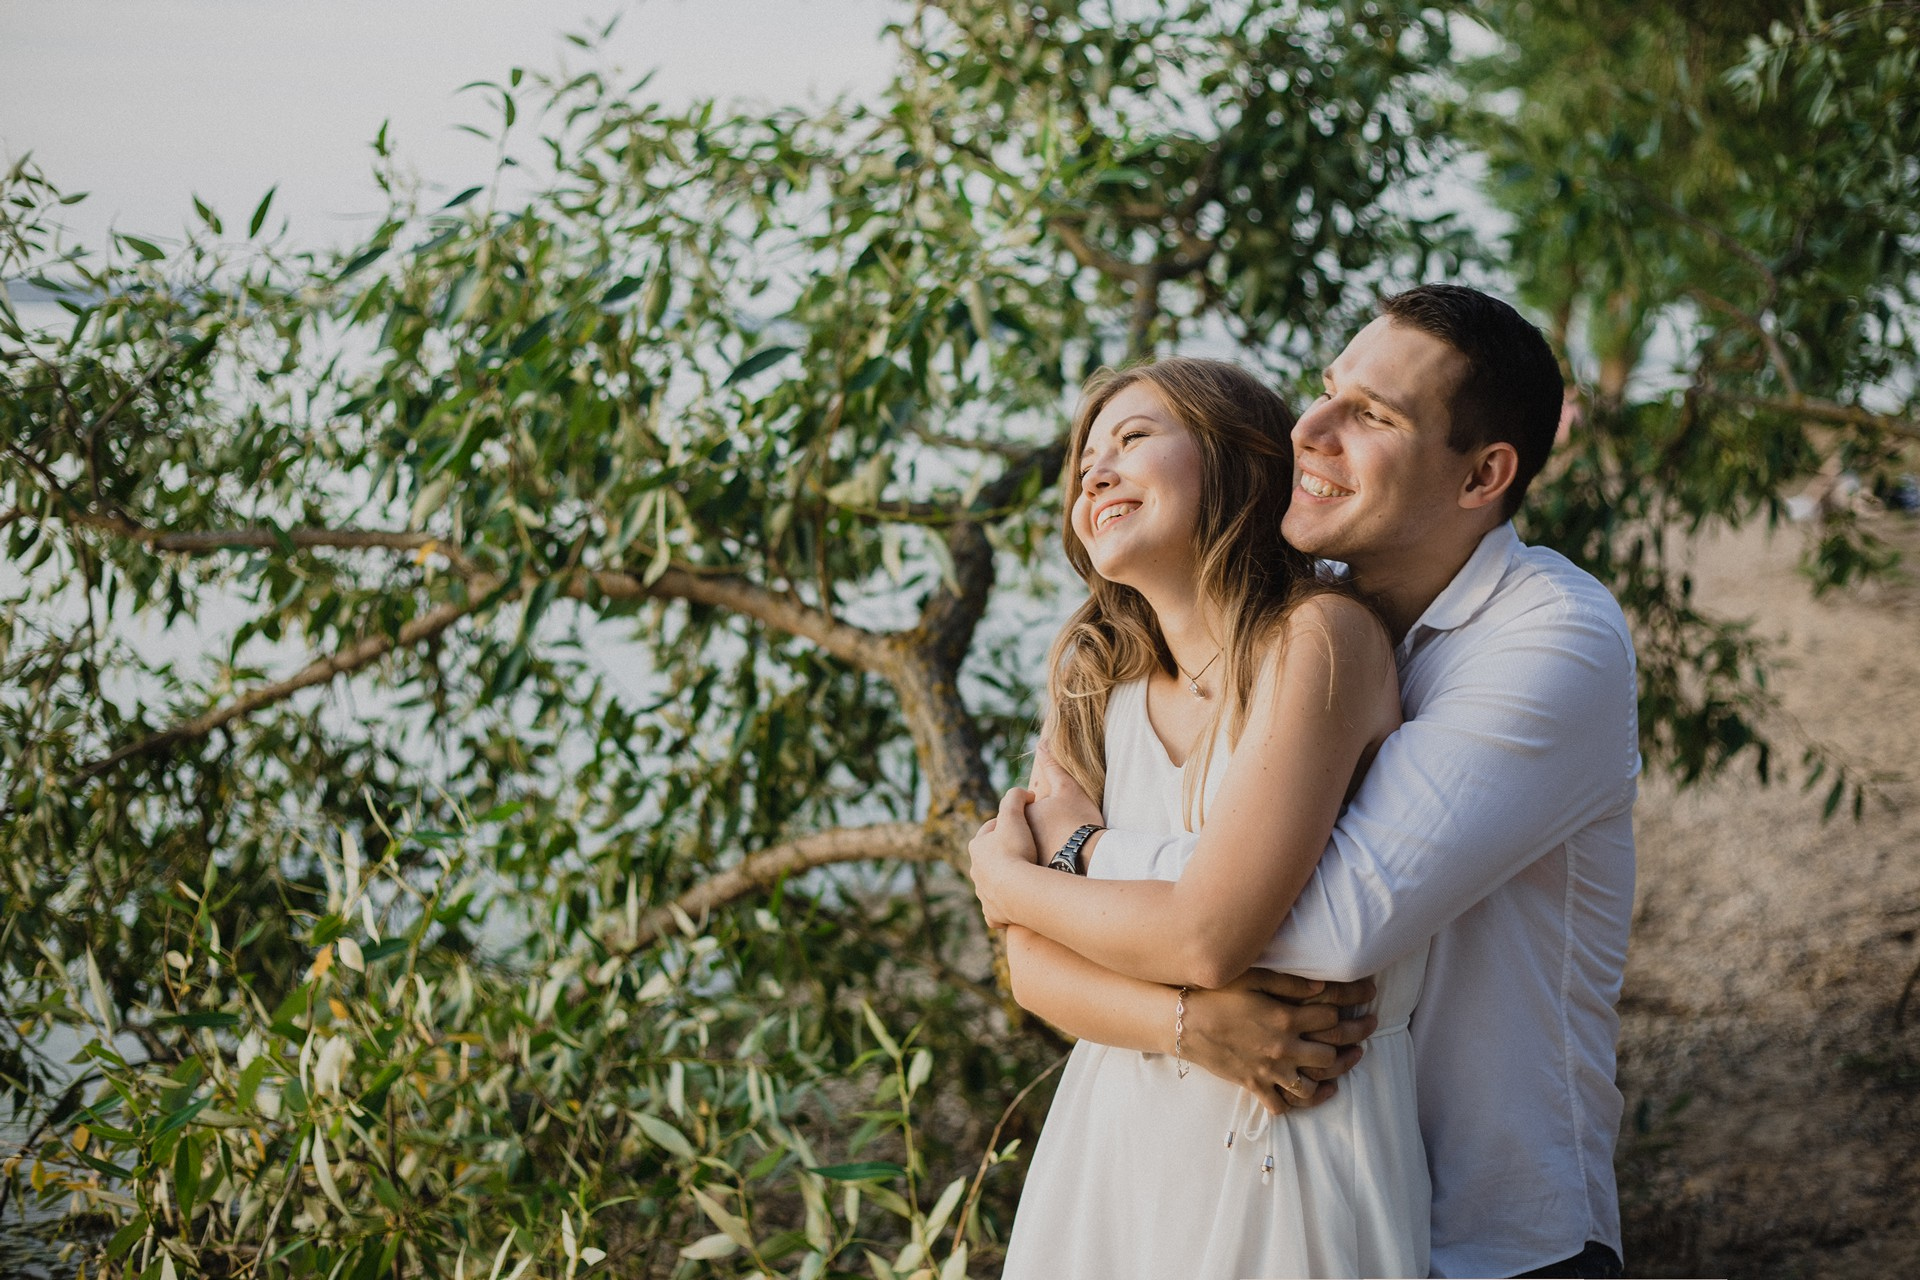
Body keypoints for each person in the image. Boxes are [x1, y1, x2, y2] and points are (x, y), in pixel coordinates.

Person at [984, 284, 1638, 1280]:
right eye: (1325, 393)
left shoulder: (1550, 637)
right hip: (1205, 1162)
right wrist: (1177, 1014)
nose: (1310, 428)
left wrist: (1055, 863)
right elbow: (1033, 963)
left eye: (1371, 414)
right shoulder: (1233, 639)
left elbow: (1318, 926)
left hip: (1492, 1230)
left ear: (1484, 474)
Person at [969, 354, 1430, 1278]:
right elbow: (1027, 967)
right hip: (1115, 1145)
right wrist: (1190, 1026)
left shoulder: (1320, 637)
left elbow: (1209, 937)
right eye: (1085, 460)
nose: (1095, 471)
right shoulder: (1092, 681)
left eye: (1135, 438)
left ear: (1238, 461)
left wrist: (1020, 875)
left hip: (1295, 1131)